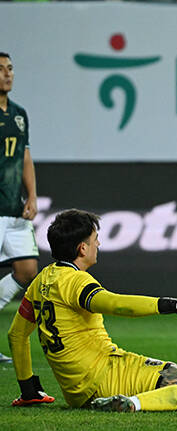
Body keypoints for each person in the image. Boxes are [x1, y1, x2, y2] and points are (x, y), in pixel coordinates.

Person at [7, 209, 177, 412]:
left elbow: (16, 335)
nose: (98, 244)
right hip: (108, 376)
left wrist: (29, 390)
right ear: (82, 248)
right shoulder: (76, 281)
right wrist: (176, 304)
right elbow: (115, 303)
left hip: (77, 394)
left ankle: (123, 402)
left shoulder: (41, 280)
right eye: (95, 239)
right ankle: (131, 403)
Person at [0, 52, 39, 363]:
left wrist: (32, 195)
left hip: (13, 207)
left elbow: (24, 156)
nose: (7, 74)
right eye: (1, 69)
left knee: (27, 270)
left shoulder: (19, 113)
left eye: (10, 68)